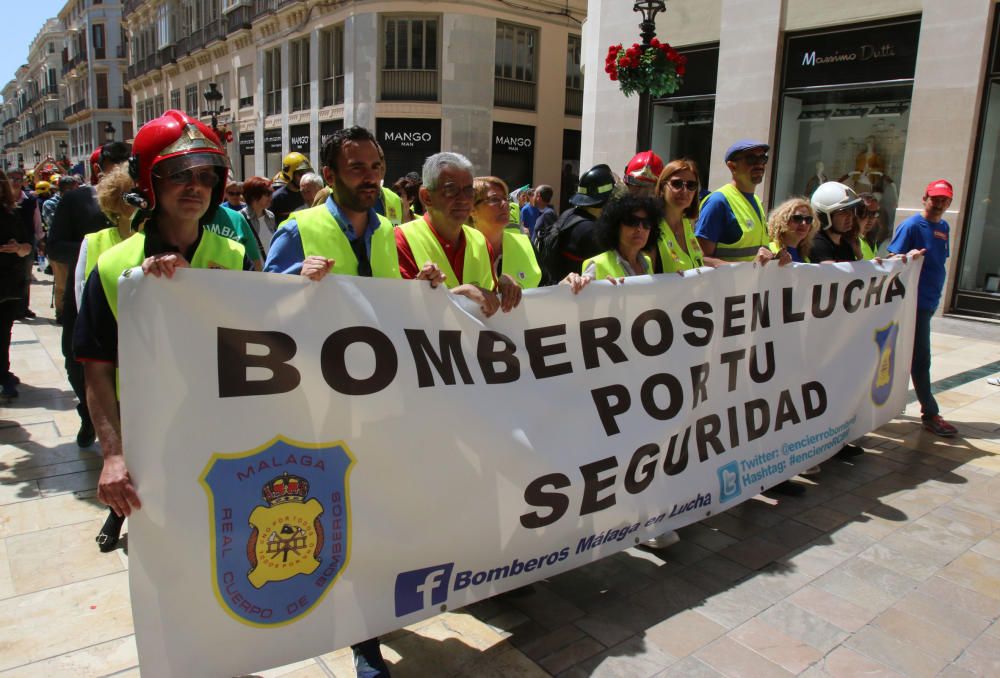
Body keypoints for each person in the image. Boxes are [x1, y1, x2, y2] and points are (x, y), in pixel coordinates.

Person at [264, 125, 444, 678]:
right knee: (340, 516)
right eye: (358, 166)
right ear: (335, 173)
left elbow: (394, 305)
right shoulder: (300, 228)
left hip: (382, 403)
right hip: (321, 404)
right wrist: (296, 276)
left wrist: (427, 284)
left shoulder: (391, 232)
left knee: (377, 512)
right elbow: (257, 302)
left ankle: (371, 613)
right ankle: (362, 640)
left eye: (377, 165)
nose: (371, 176)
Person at [73, 110, 252, 554]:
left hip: (226, 434)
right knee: (168, 557)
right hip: (152, 441)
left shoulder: (234, 254)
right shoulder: (113, 267)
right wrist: (113, 454)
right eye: (178, 174)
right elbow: (96, 371)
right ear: (149, 182)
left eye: (206, 175)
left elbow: (262, 339)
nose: (195, 187)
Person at [48, 141, 133, 451]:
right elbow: (55, 246)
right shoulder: (75, 202)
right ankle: (88, 415)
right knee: (79, 365)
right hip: (87, 301)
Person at [397, 152, 521, 316]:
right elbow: (398, 315)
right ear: (426, 196)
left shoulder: (480, 241)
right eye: (451, 190)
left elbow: (490, 304)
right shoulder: (401, 239)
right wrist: (459, 295)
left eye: (468, 191)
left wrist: (503, 287)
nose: (463, 199)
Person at [887, 179, 957, 437]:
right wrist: (908, 257)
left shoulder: (944, 226)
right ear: (924, 198)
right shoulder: (912, 226)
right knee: (920, 359)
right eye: (935, 198)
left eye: (944, 200)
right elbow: (892, 260)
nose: (939, 204)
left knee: (912, 357)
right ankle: (930, 412)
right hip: (912, 305)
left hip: (928, 303)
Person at [695, 140, 779, 267]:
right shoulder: (718, 202)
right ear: (732, 166)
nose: (759, 164)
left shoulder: (756, 200)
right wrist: (745, 269)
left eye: (763, 159)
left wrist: (776, 257)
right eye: (751, 159)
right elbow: (700, 258)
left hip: (751, 286)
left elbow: (757, 250)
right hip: (724, 286)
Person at [535, 164, 617, 285]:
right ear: (608, 199)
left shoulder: (568, 215)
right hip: (578, 297)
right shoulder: (592, 232)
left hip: (558, 289)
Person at [469, 176, 541, 290]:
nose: (505, 204)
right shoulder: (458, 247)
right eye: (494, 199)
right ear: (472, 209)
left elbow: (546, 288)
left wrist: (564, 287)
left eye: (505, 198)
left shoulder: (526, 245)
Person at [0, 169, 34, 399]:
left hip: (8, 285)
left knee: (4, 333)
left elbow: (27, 247)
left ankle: (3, 373)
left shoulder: (11, 213)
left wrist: (19, 249)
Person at [653, 159, 707, 274]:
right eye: (676, 184)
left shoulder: (688, 224)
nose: (684, 190)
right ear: (662, 187)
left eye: (691, 185)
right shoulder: (649, 226)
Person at [809, 182, 863, 263]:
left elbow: (857, 275)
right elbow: (831, 272)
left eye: (852, 210)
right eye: (843, 212)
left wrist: (860, 256)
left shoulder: (845, 245)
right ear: (824, 216)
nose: (850, 216)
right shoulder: (817, 243)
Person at [766, 197, 818, 263]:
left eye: (808, 219)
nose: (804, 223)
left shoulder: (806, 260)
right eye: (797, 218)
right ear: (783, 221)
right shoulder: (768, 250)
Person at [270, 152, 314, 225]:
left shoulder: (308, 194)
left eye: (307, 173)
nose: (305, 177)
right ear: (289, 175)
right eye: (301, 174)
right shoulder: (277, 198)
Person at [240, 176, 276, 255]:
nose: (271, 197)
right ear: (254, 196)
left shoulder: (271, 216)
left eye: (271, 193)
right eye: (267, 194)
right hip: (250, 267)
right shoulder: (240, 218)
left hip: (269, 266)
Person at [857, 192, 887, 260]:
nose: (871, 218)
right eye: (866, 213)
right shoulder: (850, 242)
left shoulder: (871, 238)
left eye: (875, 213)